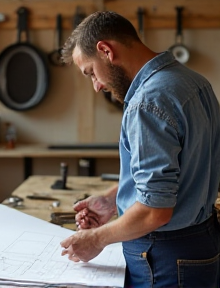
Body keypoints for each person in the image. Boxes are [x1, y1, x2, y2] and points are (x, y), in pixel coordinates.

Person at [59, 11, 220, 288]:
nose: (96, 86)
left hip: (166, 258)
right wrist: (113, 200)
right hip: (201, 243)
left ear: (106, 51)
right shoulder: (192, 81)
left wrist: (95, 239)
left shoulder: (147, 103)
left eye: (91, 73)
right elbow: (181, 171)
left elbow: (154, 212)